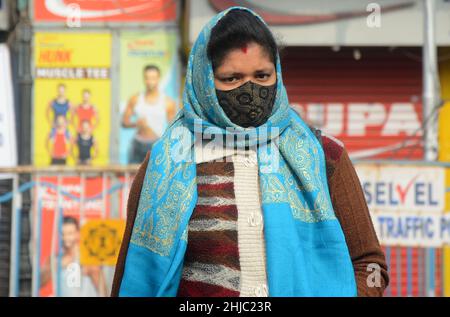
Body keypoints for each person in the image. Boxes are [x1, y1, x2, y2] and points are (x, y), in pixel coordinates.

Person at [112, 7, 389, 297]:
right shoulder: (164, 162)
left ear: (277, 74)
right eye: (231, 78)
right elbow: (131, 276)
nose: (250, 90)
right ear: (204, 82)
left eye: (262, 75)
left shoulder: (324, 156)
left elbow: (369, 266)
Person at [121, 65, 177, 164]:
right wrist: (135, 124)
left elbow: (173, 127)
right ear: (144, 79)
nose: (150, 81)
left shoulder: (167, 102)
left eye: (153, 78)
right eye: (147, 78)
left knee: (154, 177)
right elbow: (124, 122)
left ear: (158, 79)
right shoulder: (136, 99)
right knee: (134, 177)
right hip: (137, 145)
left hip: (155, 145)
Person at [40, 216, 107, 297]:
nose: (66, 238)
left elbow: (103, 292)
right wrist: (55, 266)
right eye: (62, 234)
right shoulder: (54, 259)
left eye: (70, 233)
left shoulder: (87, 258)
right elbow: (39, 283)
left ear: (77, 234)